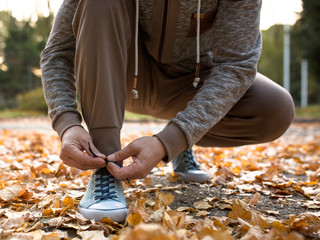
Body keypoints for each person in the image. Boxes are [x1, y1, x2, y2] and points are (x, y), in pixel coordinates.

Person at [40, 0, 295, 223]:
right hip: (121, 76)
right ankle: (106, 164)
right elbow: (58, 52)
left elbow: (237, 64)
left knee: (275, 109)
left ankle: (182, 143)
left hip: (193, 83)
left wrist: (171, 140)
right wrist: (67, 123)